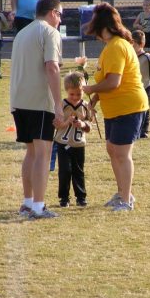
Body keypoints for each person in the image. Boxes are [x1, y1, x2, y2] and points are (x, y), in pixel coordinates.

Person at [82, 3, 148, 212]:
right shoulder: (109, 48)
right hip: (115, 109)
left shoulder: (117, 46)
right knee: (113, 150)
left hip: (128, 106)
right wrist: (92, 102)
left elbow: (113, 82)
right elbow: (106, 81)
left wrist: (89, 88)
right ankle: (122, 193)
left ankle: (126, 199)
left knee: (122, 153)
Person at [10, 0, 64, 220]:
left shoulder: (22, 32)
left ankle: (28, 202)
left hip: (19, 100)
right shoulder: (50, 32)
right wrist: (59, 105)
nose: (60, 19)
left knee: (31, 152)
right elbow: (52, 67)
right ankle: (39, 207)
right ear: (52, 12)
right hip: (39, 101)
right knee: (43, 153)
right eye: (60, 14)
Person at [54, 72, 92, 208]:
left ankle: (81, 197)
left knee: (78, 171)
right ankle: (64, 198)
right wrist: (66, 122)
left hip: (78, 144)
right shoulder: (61, 105)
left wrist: (83, 125)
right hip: (63, 143)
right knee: (64, 171)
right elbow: (56, 125)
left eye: (78, 94)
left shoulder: (86, 105)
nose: (75, 97)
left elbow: (90, 126)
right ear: (66, 91)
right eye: (72, 94)